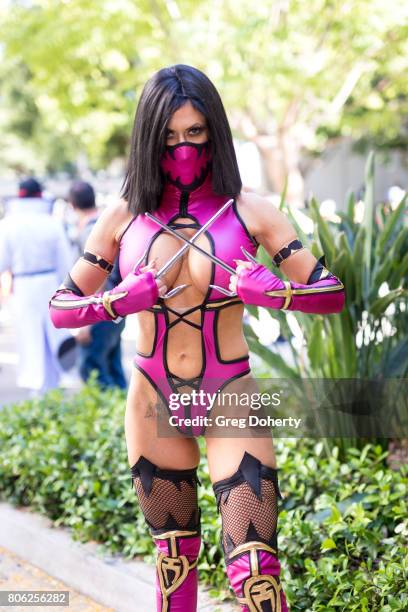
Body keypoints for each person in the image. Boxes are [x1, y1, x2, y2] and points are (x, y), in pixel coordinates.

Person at [49, 65, 345, 612]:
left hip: (230, 392)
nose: (182, 149)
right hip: (151, 396)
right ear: (147, 138)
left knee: (256, 571)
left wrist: (272, 292)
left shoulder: (251, 211)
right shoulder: (123, 217)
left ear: (216, 133)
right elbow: (61, 310)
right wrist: (116, 301)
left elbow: (331, 293)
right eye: (168, 137)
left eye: (195, 134)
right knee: (173, 567)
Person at [0, 177, 73, 395]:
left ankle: (37, 389)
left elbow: (2, 262)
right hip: (51, 282)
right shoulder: (51, 222)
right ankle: (54, 384)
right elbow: (66, 263)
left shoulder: (8, 224)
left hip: (23, 286)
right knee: (54, 334)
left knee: (29, 336)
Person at [67, 181, 127, 390]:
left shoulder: (90, 232)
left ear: (72, 205)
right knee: (113, 367)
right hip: (116, 306)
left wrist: (86, 321)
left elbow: (99, 275)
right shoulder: (106, 224)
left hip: (100, 309)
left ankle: (113, 417)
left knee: (91, 369)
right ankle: (125, 417)